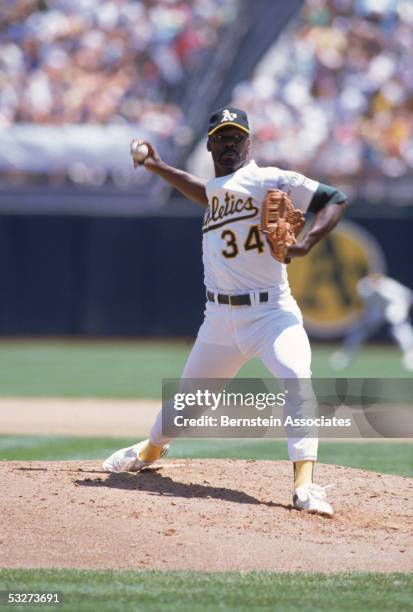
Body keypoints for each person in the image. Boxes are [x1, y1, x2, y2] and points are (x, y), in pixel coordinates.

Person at [103, 106, 348, 516]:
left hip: (272, 313)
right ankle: (148, 452)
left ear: (249, 143)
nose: (230, 143)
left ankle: (305, 486)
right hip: (218, 320)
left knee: (296, 378)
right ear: (210, 144)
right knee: (185, 405)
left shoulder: (270, 178)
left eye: (237, 136)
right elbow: (205, 192)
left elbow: (335, 200)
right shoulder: (218, 189)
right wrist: (159, 166)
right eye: (222, 137)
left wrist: (306, 242)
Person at [330, 273, 413, 371]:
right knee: (360, 330)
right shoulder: (363, 286)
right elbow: (365, 303)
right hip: (377, 310)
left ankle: (410, 354)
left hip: (394, 307)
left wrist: (402, 311)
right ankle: (346, 355)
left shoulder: (389, 285)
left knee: (400, 329)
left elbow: (408, 297)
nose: (375, 282)